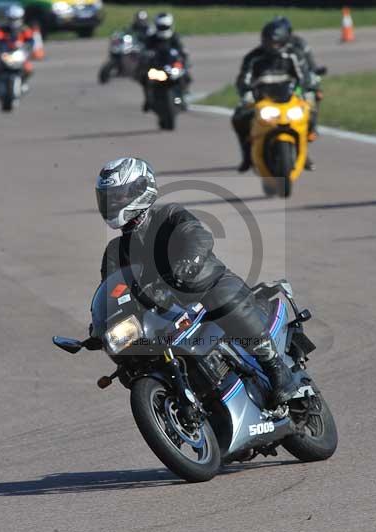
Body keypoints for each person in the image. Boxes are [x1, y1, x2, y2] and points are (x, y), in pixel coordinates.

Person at [95, 157, 299, 408]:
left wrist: (189, 262)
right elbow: (111, 291)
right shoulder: (115, 251)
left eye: (117, 197)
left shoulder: (168, 215)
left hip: (206, 288)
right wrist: (100, 325)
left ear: (140, 190)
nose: (111, 204)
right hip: (165, 314)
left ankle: (276, 368)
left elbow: (197, 235)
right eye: (107, 198)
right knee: (132, 357)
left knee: (223, 300)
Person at [232, 20, 316, 172]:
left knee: (310, 113)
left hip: (289, 98)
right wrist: (247, 93)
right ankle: (246, 156)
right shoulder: (253, 57)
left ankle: (305, 150)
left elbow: (304, 77)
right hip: (262, 101)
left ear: (283, 41)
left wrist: (301, 91)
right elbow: (243, 79)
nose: (271, 46)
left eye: (275, 43)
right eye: (267, 42)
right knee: (239, 118)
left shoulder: (293, 55)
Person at [140, 12, 191, 112]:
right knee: (144, 77)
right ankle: (148, 100)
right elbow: (144, 51)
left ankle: (182, 96)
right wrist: (145, 56)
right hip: (157, 67)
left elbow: (182, 51)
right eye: (161, 27)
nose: (163, 29)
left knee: (186, 76)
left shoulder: (174, 37)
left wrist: (184, 57)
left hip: (171, 67)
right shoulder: (152, 38)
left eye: (165, 26)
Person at [0, 5, 37, 93]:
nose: (14, 22)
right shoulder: (2, 30)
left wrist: (27, 46)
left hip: (19, 55)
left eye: (16, 19)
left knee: (29, 68)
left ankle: (23, 82)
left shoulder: (25, 30)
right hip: (5, 54)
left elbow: (31, 41)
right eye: (11, 19)